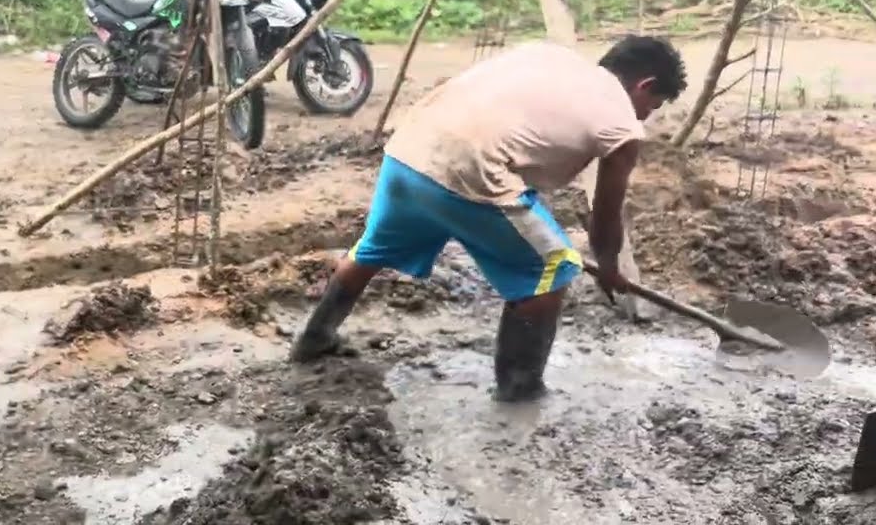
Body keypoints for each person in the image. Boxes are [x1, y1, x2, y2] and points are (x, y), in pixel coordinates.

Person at [289, 36, 688, 402]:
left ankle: (315, 338)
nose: (645, 116)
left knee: (373, 249)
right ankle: (519, 389)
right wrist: (609, 267)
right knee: (553, 266)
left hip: (410, 147)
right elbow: (605, 217)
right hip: (469, 168)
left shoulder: (549, 55)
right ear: (644, 85)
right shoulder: (621, 121)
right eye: (651, 107)